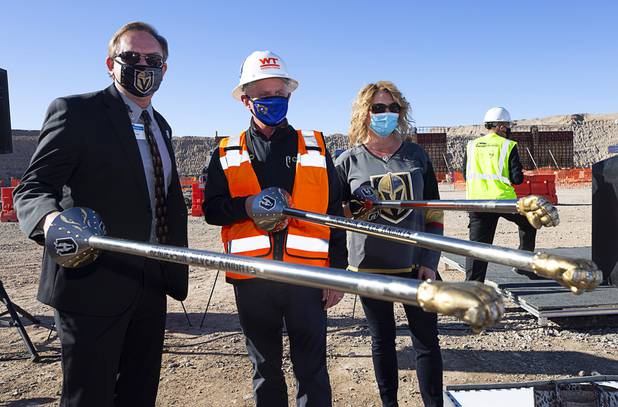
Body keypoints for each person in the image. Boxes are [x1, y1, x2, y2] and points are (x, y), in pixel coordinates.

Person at [13, 22, 188, 406]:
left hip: (151, 281)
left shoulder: (161, 126)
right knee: (88, 397)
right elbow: (33, 189)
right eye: (131, 57)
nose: (142, 66)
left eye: (152, 59)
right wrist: (51, 221)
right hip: (92, 284)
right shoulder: (77, 112)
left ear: (165, 68)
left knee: (139, 393)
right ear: (111, 64)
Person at [203, 50, 347, 406]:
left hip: (307, 277)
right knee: (265, 367)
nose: (273, 102)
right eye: (264, 95)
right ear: (246, 100)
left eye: (279, 95)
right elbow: (212, 210)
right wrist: (247, 206)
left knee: (311, 367)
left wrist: (337, 273)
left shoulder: (314, 146)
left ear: (290, 96)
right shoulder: (226, 152)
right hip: (253, 277)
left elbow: (335, 211)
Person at [335, 81, 444, 407]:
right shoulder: (348, 162)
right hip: (371, 268)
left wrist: (430, 260)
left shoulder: (416, 155)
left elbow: (434, 213)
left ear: (401, 112)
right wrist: (354, 206)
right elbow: (336, 215)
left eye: (392, 108)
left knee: (426, 342)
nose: (386, 114)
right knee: (382, 340)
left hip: (415, 266)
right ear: (365, 113)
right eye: (378, 108)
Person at [463, 107, 538, 281]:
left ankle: (473, 286)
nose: (509, 129)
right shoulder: (508, 145)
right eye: (508, 126)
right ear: (502, 127)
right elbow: (517, 178)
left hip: (477, 202)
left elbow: (465, 173)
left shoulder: (472, 145)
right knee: (529, 222)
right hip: (503, 201)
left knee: (477, 247)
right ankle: (523, 266)